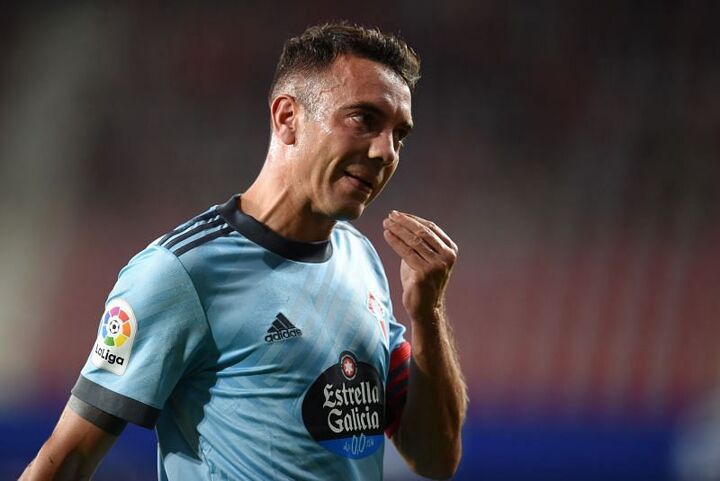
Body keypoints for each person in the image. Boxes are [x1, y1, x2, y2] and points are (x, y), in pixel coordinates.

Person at [20, 22, 467, 481]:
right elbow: (67, 459)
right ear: (287, 118)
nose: (386, 152)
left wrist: (428, 313)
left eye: (399, 134)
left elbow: (435, 458)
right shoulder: (181, 273)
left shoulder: (361, 259)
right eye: (364, 119)